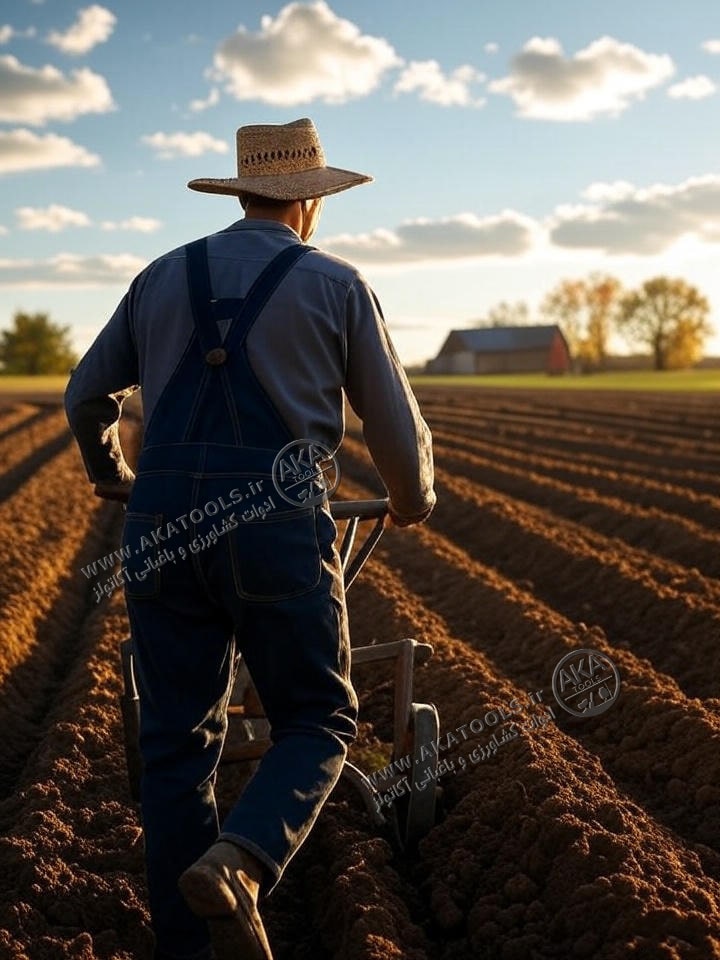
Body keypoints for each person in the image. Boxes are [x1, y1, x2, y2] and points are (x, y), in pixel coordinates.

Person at [65, 117, 435, 960]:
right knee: (318, 717)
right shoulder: (338, 284)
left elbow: (87, 396)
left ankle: (189, 948)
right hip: (275, 527)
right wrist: (412, 502)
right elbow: (396, 435)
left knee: (173, 751)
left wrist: (111, 477)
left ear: (242, 193)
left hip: (162, 528)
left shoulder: (160, 276)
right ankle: (243, 860)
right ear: (309, 205)